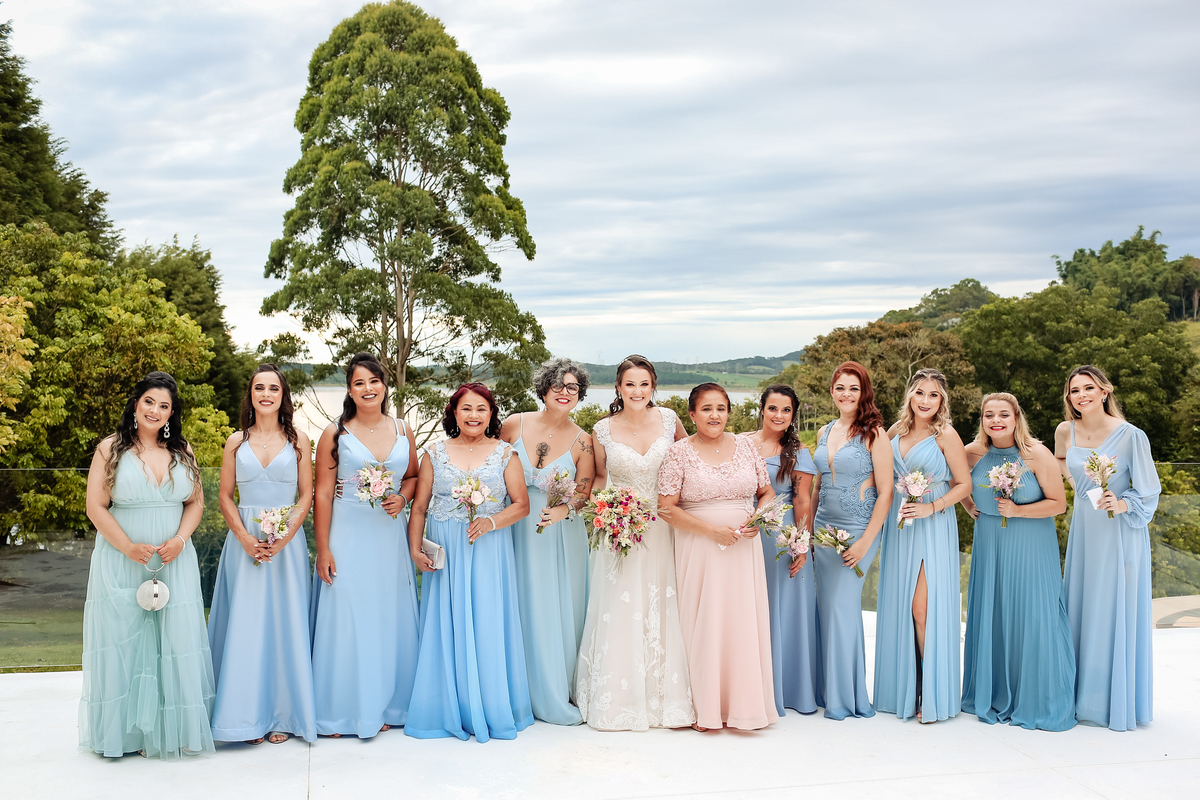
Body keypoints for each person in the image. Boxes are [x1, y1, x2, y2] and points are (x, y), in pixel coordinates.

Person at [80, 371, 214, 759]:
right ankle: (128, 734)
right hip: (124, 557)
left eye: (165, 406)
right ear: (135, 405)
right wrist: (127, 547)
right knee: (127, 641)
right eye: (149, 402)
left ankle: (175, 729)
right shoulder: (110, 449)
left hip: (173, 557)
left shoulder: (182, 451)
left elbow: (196, 503)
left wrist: (179, 539)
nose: (156, 411)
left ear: (172, 413)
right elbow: (95, 507)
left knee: (175, 640)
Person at [405, 383, 534, 742]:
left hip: (489, 547)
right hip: (446, 547)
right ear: (454, 413)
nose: (474, 415)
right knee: (446, 622)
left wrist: (491, 521)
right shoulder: (435, 452)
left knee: (488, 620)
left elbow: (521, 504)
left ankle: (491, 705)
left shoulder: (506, 454)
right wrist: (415, 549)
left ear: (491, 414)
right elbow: (419, 507)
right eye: (466, 409)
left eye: (481, 409)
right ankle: (446, 706)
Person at [575, 355, 696, 730]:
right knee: (623, 602)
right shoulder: (602, 429)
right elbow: (597, 478)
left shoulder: (671, 420)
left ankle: (666, 696)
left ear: (653, 386)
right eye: (630, 384)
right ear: (618, 387)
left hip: (664, 526)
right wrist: (605, 509)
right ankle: (621, 696)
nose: (637, 391)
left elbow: (689, 464)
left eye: (644, 384)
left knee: (665, 600)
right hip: (621, 528)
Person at [310, 353, 420, 738]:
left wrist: (403, 499)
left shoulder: (404, 429)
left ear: (385, 385)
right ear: (350, 389)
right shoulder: (334, 434)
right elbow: (322, 495)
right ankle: (341, 711)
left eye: (374, 381)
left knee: (388, 613)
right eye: (359, 383)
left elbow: (412, 478)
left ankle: (391, 704)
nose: (368, 388)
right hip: (348, 531)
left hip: (389, 535)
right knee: (348, 614)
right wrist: (323, 549)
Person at [208, 364, 316, 744]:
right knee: (247, 626)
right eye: (259, 388)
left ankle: (282, 716)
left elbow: (307, 495)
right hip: (245, 543)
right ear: (250, 395)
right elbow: (225, 495)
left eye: (273, 388)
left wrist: (285, 536)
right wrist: (243, 537)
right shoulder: (235, 442)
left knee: (283, 626)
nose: (266, 394)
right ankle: (244, 719)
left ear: (283, 395)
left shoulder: (300, 439)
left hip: (286, 545)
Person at [659, 383, 778, 731]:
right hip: (700, 548)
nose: (715, 416)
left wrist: (759, 516)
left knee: (741, 621)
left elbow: (766, 491)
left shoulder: (745, 446)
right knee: (704, 620)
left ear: (729, 412)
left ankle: (745, 706)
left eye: (721, 408)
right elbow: (665, 508)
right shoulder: (679, 452)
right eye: (707, 409)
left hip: (744, 548)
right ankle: (704, 707)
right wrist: (710, 532)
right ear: (692, 414)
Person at [961, 393, 1075, 731]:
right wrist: (969, 506)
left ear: (1016, 418)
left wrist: (1018, 511)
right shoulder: (972, 453)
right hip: (990, 543)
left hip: (1031, 548)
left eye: (1003, 414)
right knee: (995, 614)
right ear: (981, 420)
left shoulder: (1036, 453)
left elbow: (1059, 504)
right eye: (988, 415)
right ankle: (993, 690)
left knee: (1033, 615)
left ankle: (1038, 697)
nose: (996, 420)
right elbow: (951, 479)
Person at [1055, 365, 1160, 730]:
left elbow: (1148, 489)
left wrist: (1122, 503)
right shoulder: (1064, 431)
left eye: (1088, 388)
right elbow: (1059, 461)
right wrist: (1079, 487)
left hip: (1118, 532)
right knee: (1081, 606)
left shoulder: (1131, 436)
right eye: (1074, 390)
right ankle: (1079, 696)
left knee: (1113, 607)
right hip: (1084, 528)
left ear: (1104, 391)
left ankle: (1111, 702)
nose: (1081, 395)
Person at [501, 357, 595, 725]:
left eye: (573, 387)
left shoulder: (584, 442)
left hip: (558, 533)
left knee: (556, 608)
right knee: (519, 602)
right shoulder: (514, 424)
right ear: (543, 389)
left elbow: (584, 491)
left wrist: (564, 510)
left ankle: (555, 688)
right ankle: (516, 689)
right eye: (558, 385)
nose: (565, 392)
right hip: (515, 527)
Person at [876, 368, 969, 723]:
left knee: (922, 610)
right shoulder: (895, 431)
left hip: (932, 523)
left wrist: (931, 505)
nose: (926, 401)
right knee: (902, 607)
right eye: (920, 393)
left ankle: (931, 693)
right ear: (910, 396)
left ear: (941, 399)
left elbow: (963, 484)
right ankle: (906, 688)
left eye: (933, 395)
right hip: (900, 526)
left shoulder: (945, 434)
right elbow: (881, 475)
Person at [811, 361, 893, 720]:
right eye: (840, 387)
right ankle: (827, 690)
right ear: (832, 392)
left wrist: (865, 543)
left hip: (859, 529)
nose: (846, 394)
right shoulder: (825, 430)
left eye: (853, 388)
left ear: (864, 394)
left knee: (842, 609)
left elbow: (887, 492)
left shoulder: (875, 434)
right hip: (822, 529)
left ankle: (847, 698)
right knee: (825, 609)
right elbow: (817, 484)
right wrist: (806, 533)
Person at [741, 384, 818, 716]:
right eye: (773, 408)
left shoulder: (798, 451)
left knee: (783, 611)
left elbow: (802, 500)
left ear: (793, 414)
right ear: (762, 408)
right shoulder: (741, 443)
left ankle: (786, 689)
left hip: (782, 536)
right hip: (746, 534)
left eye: (786, 410)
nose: (779, 415)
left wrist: (801, 543)